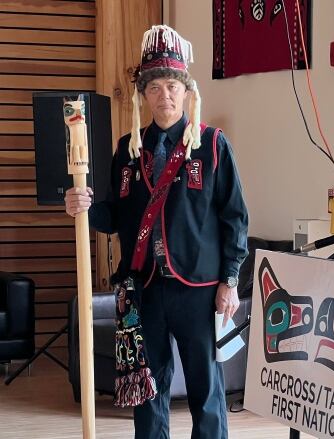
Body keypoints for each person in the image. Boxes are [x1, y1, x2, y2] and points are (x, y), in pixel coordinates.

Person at [64, 25, 248, 439]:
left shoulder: (213, 145)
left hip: (198, 287)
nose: (164, 96)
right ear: (142, 96)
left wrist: (231, 280)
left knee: (206, 389)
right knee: (148, 391)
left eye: (171, 86)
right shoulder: (127, 151)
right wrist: (84, 207)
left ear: (186, 91)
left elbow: (234, 218)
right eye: (154, 88)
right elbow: (112, 217)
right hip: (143, 290)